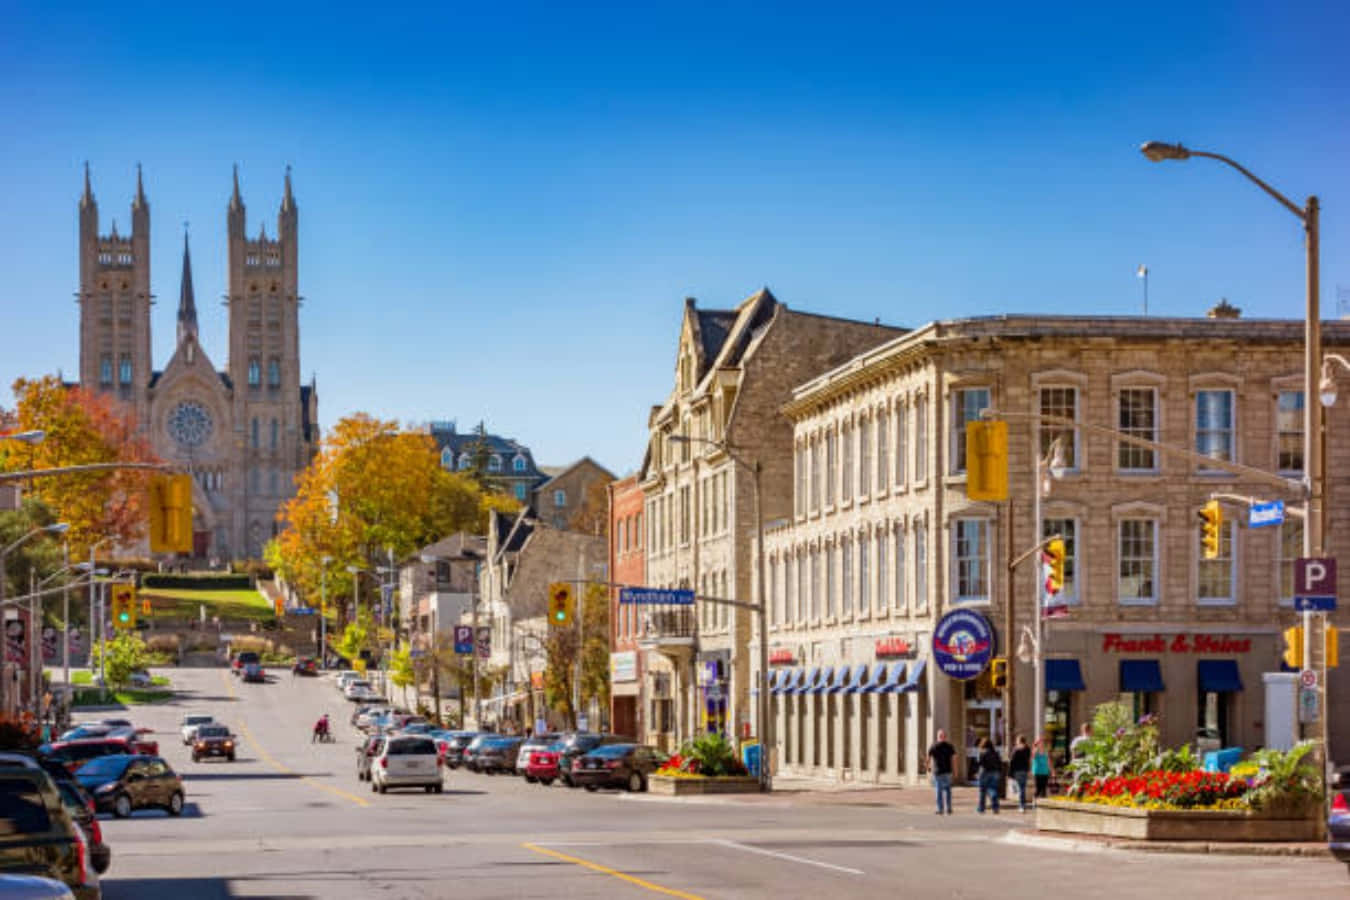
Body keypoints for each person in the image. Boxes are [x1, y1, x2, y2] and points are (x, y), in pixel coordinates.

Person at [926, 728, 957, 815]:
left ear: (938, 737)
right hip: (947, 771)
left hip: (938, 772)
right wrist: (955, 771)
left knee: (938, 791)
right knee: (948, 791)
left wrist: (928, 767)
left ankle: (940, 809)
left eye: (940, 736)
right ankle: (949, 808)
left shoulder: (934, 746)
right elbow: (954, 759)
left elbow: (928, 758)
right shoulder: (950, 746)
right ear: (945, 737)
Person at [976, 738, 1002, 814]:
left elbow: (980, 764)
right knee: (993, 788)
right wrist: (999, 772)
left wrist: (977, 773)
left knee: (982, 791)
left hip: (985, 772)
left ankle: (981, 808)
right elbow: (999, 763)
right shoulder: (996, 753)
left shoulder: (982, 753)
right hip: (995, 772)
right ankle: (995, 807)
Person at [1008, 735, 1032, 813]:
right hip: (1024, 770)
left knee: (1019, 788)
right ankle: (1022, 805)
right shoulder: (1027, 749)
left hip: (1017, 770)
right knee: (1022, 788)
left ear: (1018, 741)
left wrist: (1010, 773)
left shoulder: (1016, 749)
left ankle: (1021, 805)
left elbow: (1012, 762)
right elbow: (1028, 759)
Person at [1031, 734, 1054, 801]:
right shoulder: (1035, 751)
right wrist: (1036, 747)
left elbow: (1049, 762)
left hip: (1045, 772)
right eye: (1040, 743)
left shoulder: (1046, 752)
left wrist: (1052, 771)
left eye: (1042, 743)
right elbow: (1033, 757)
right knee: (1038, 789)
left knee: (1044, 789)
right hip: (1037, 772)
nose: (1041, 744)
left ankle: (1042, 803)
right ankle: (1034, 802)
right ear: (1037, 744)